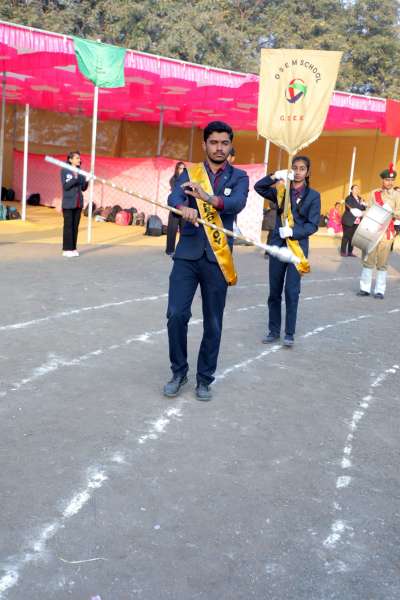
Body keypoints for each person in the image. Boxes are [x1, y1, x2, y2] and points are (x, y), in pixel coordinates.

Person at [164, 121, 249, 401]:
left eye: (224, 143)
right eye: (214, 142)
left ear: (230, 145)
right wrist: (183, 208)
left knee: (213, 322)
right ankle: (179, 372)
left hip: (217, 258)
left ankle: (204, 379)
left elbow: (236, 203)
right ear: (204, 145)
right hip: (187, 255)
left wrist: (207, 198)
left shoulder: (239, 177)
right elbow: (174, 197)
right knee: (176, 314)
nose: (219, 148)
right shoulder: (191, 173)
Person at [254, 156, 321, 347]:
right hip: (278, 245)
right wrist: (275, 176)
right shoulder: (281, 190)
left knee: (291, 291)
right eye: (294, 168)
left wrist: (293, 232)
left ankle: (289, 333)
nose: (298, 172)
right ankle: (273, 331)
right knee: (274, 291)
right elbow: (259, 187)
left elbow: (313, 225)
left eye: (302, 169)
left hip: (297, 248)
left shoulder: (313, 196)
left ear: (308, 172)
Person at [357, 164, 400, 299]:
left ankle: (380, 290)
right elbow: (369, 209)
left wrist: (391, 212)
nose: (389, 182)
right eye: (387, 180)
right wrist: (361, 213)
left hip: (387, 233)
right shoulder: (374, 193)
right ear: (382, 180)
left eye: (392, 180)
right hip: (373, 230)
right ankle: (364, 288)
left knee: (382, 263)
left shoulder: (397, 195)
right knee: (368, 260)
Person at [61, 151, 88, 257]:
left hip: (78, 203)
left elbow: (83, 188)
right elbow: (66, 186)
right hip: (68, 203)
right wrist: (76, 178)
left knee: (75, 226)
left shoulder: (80, 172)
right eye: (76, 158)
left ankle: (73, 248)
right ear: (70, 159)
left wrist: (87, 180)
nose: (79, 160)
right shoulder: (65, 170)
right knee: (68, 226)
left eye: (79, 158)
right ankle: (66, 249)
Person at [165, 161, 185, 256]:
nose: (182, 170)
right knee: (172, 230)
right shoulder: (173, 180)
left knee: (184, 230)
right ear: (177, 169)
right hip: (175, 207)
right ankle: (170, 250)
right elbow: (176, 192)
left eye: (184, 169)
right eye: (180, 168)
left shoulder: (188, 179)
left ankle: (182, 250)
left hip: (185, 207)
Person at [340, 185, 366, 257]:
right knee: (346, 236)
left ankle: (350, 252)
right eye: (355, 188)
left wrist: (362, 205)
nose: (357, 190)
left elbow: (364, 208)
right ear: (351, 190)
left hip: (357, 221)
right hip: (348, 220)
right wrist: (361, 205)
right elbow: (353, 207)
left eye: (358, 188)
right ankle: (343, 251)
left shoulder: (360, 198)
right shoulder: (348, 198)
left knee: (353, 237)